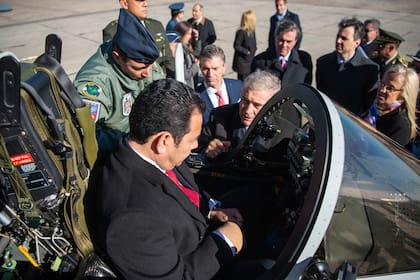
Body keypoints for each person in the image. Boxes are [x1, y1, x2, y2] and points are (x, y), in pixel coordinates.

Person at [84, 78, 264, 279]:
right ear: (164, 141)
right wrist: (224, 242)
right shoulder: (132, 219)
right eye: (192, 139)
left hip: (200, 227)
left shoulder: (149, 153)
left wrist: (212, 210)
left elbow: (182, 192)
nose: (196, 146)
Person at [74, 9, 161, 152]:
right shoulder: (95, 84)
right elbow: (90, 137)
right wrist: (136, 141)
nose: (147, 73)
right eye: (140, 68)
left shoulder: (143, 61)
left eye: (151, 66)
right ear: (117, 57)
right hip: (116, 155)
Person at [199, 70, 281, 159]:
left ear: (271, 106)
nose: (248, 110)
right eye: (245, 101)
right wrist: (208, 149)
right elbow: (198, 147)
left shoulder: (285, 131)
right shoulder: (219, 116)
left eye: (257, 105)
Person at [316, 17, 379, 118]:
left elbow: (367, 104)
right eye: (338, 36)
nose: (338, 41)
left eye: (344, 38)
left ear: (357, 42)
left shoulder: (369, 69)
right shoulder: (323, 62)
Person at [103, 0, 175, 78]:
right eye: (139, 0)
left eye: (145, 0)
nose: (145, 4)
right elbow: (115, 67)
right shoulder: (114, 31)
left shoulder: (156, 26)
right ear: (125, 3)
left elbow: (168, 59)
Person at [364, 65, 418, 148]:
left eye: (390, 88)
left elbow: (385, 157)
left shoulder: (401, 124)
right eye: (382, 84)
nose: (382, 90)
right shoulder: (373, 108)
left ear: (403, 94)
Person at [251, 19, 312, 86]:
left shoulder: (304, 61)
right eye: (281, 40)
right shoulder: (259, 61)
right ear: (275, 38)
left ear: (295, 41)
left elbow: (306, 88)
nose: (284, 45)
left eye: (288, 42)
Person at [196, 44, 243, 124]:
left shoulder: (238, 87)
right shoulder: (195, 98)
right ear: (200, 68)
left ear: (224, 67)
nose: (210, 74)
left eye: (215, 69)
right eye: (206, 69)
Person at [174, 21, 201, 89]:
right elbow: (184, 74)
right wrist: (195, 66)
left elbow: (196, 53)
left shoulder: (185, 46)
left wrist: (196, 38)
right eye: (188, 34)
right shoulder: (179, 51)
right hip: (186, 88)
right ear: (181, 35)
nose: (190, 36)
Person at [232, 10, 257, 81]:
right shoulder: (241, 32)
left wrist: (254, 49)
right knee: (243, 82)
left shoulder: (252, 31)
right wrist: (246, 52)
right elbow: (236, 46)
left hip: (250, 61)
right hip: (242, 63)